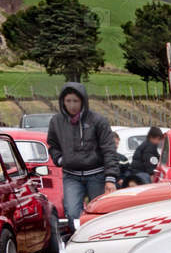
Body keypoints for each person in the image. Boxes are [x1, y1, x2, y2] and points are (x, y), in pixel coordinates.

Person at [46, 83, 118, 226]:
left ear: (83, 101)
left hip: (97, 175)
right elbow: (52, 145)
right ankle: (78, 241)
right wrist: (60, 159)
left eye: (76, 101)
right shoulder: (56, 121)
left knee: (99, 212)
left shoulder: (98, 121)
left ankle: (99, 240)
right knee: (72, 212)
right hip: (71, 175)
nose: (72, 105)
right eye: (68, 101)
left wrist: (111, 178)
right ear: (62, 102)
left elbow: (109, 149)